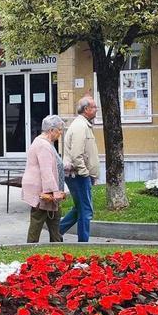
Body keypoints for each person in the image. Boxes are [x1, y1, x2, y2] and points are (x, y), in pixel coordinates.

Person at [61, 96, 101, 242]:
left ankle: (57, 232)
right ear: (86, 109)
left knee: (79, 208)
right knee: (86, 210)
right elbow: (77, 155)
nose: (96, 109)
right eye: (94, 107)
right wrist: (85, 174)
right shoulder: (80, 126)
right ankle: (83, 243)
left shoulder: (84, 125)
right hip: (78, 175)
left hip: (78, 174)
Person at [22, 114, 67, 243]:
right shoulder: (43, 145)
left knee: (54, 220)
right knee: (38, 222)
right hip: (43, 193)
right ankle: (31, 249)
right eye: (59, 130)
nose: (61, 133)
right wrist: (55, 192)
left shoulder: (45, 143)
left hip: (45, 192)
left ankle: (57, 248)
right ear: (51, 130)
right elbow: (46, 171)